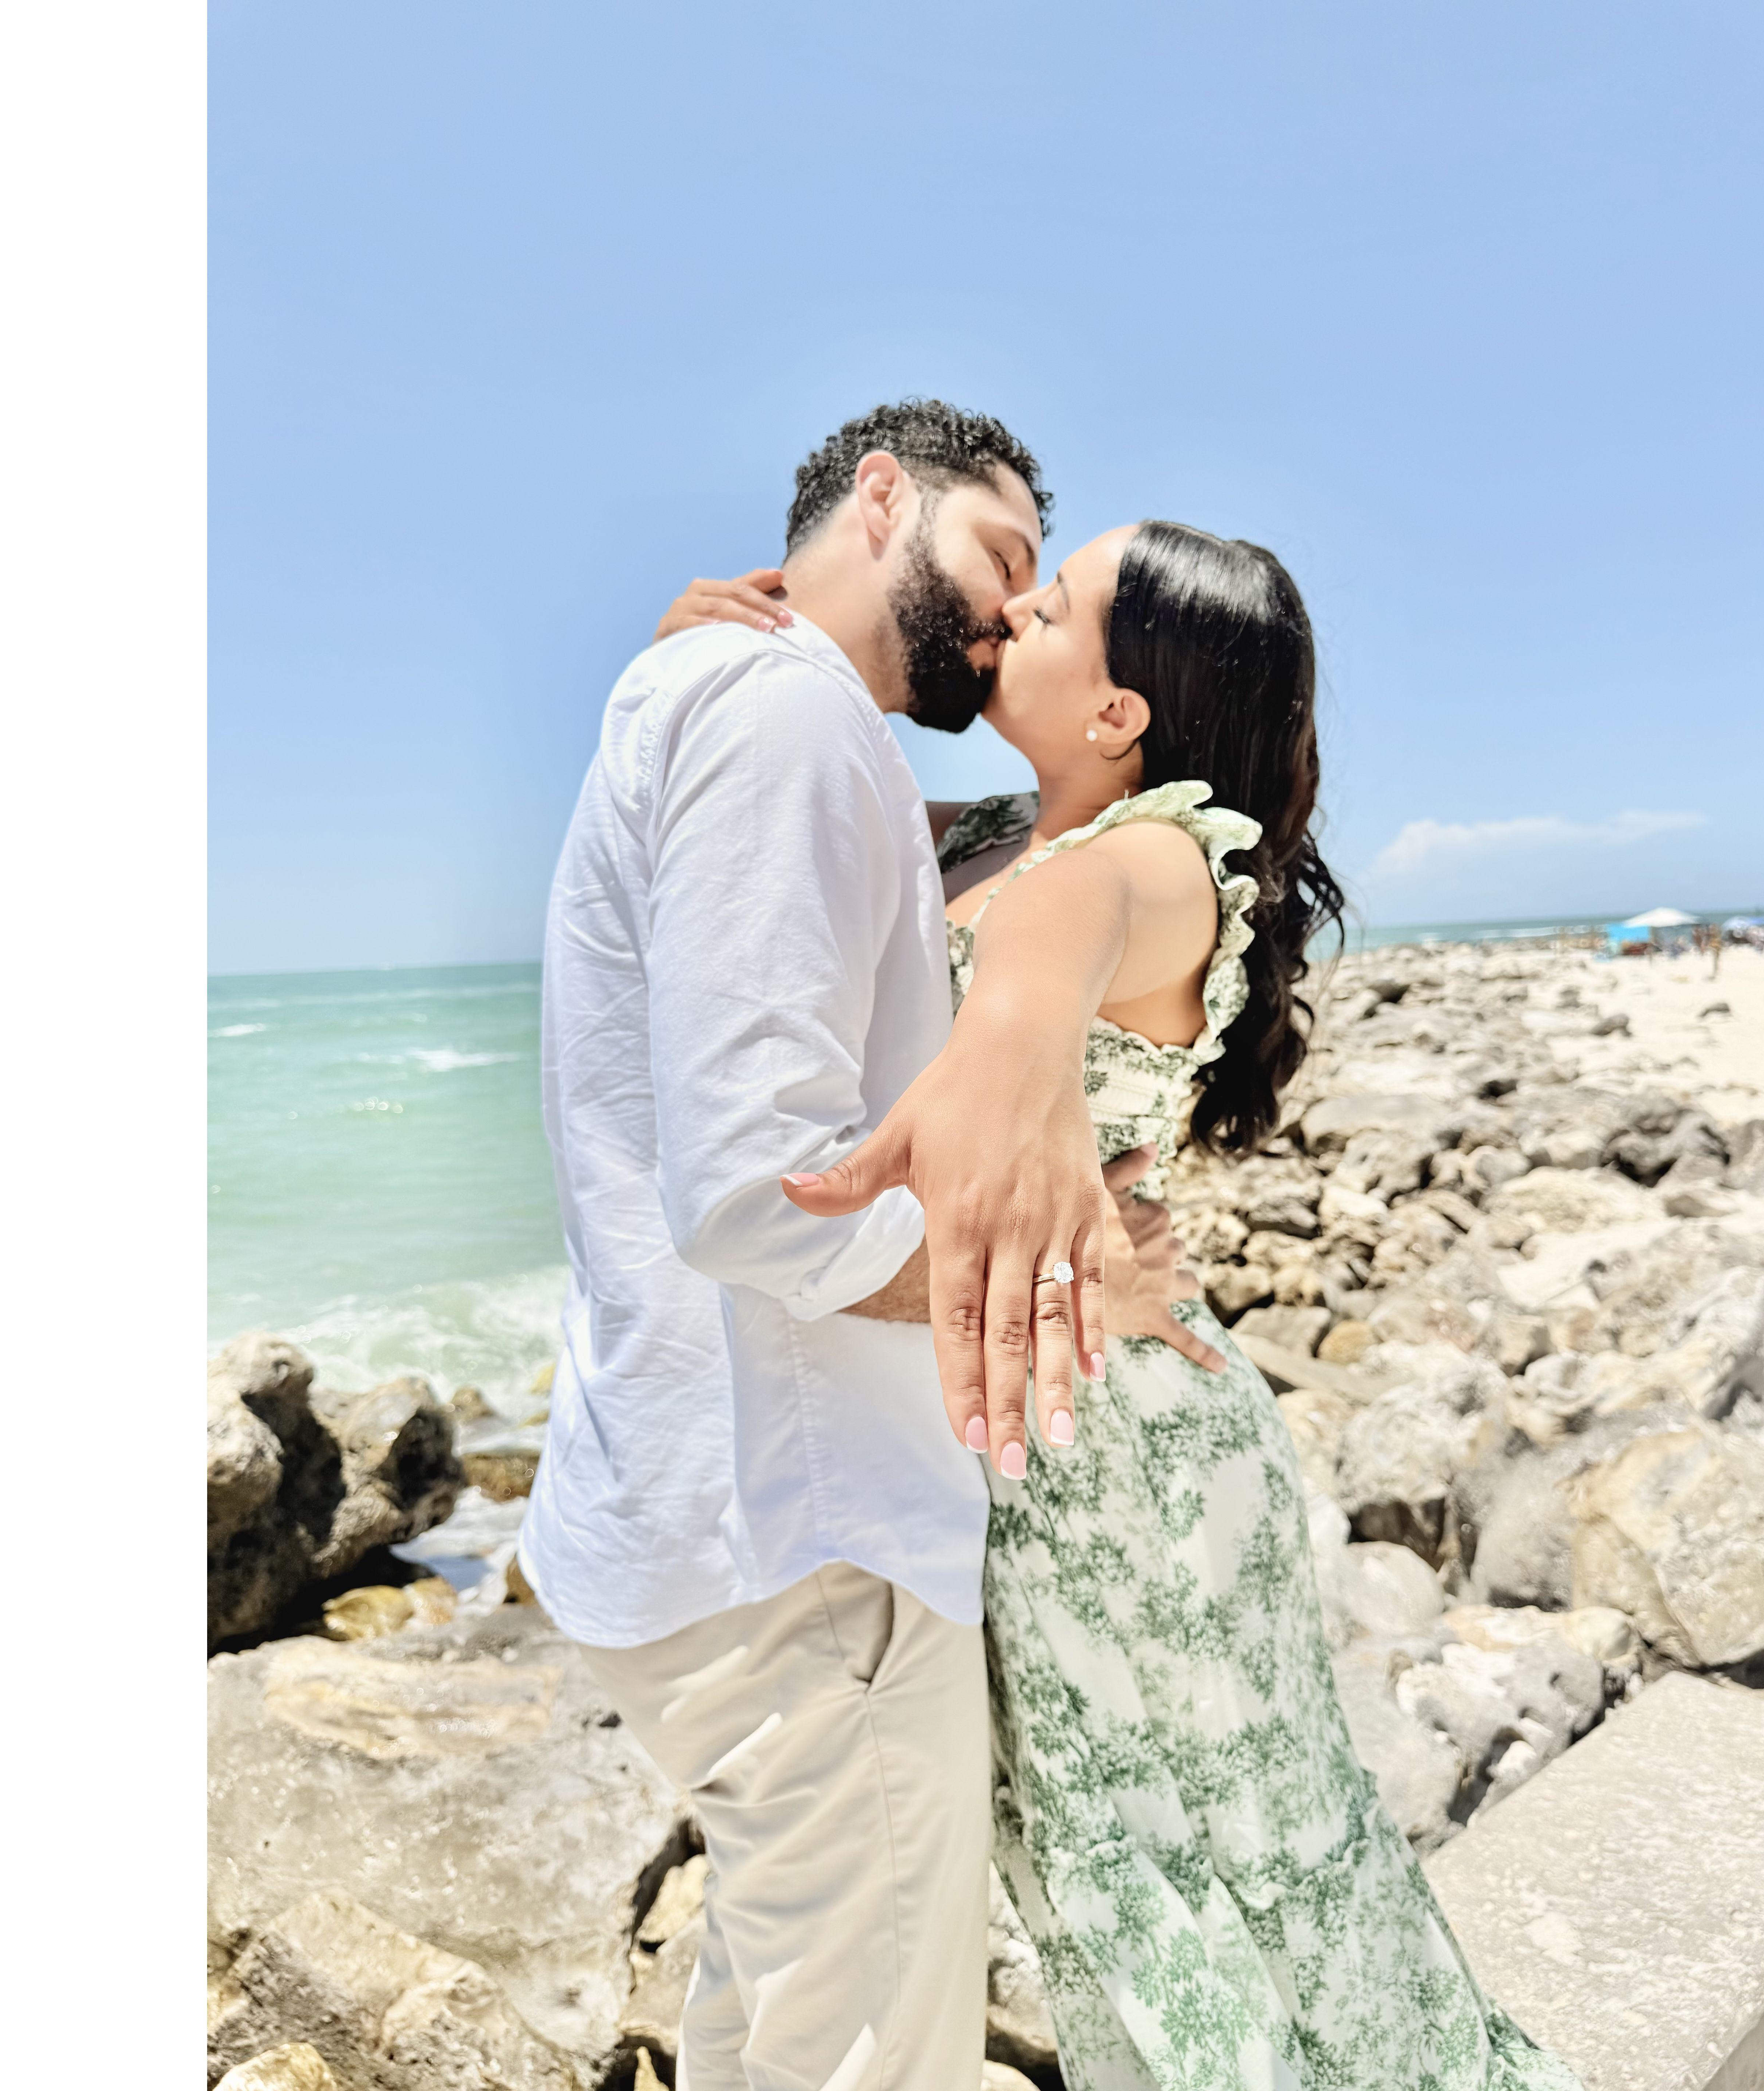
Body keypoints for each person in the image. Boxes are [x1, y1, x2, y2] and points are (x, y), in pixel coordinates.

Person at [657, 523, 1581, 2087]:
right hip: (1042, 1440)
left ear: (1119, 714)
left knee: (1223, 1869)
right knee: (1130, 1871)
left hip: (1128, 1457)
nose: (1016, 606)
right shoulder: (988, 833)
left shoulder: (1158, 863)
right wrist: (717, 658)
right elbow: (791, 809)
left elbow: (1053, 942)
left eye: (1058, 601)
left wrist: (1007, 1057)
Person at [520, 402, 1218, 2091]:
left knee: (776, 2010)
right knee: (868, 2057)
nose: (1012, 609)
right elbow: (764, 1195)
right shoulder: (783, 717)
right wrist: (1067, 1283)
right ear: (882, 498)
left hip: (704, 1513)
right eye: (1002, 556)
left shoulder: (734, 706)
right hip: (802, 1543)